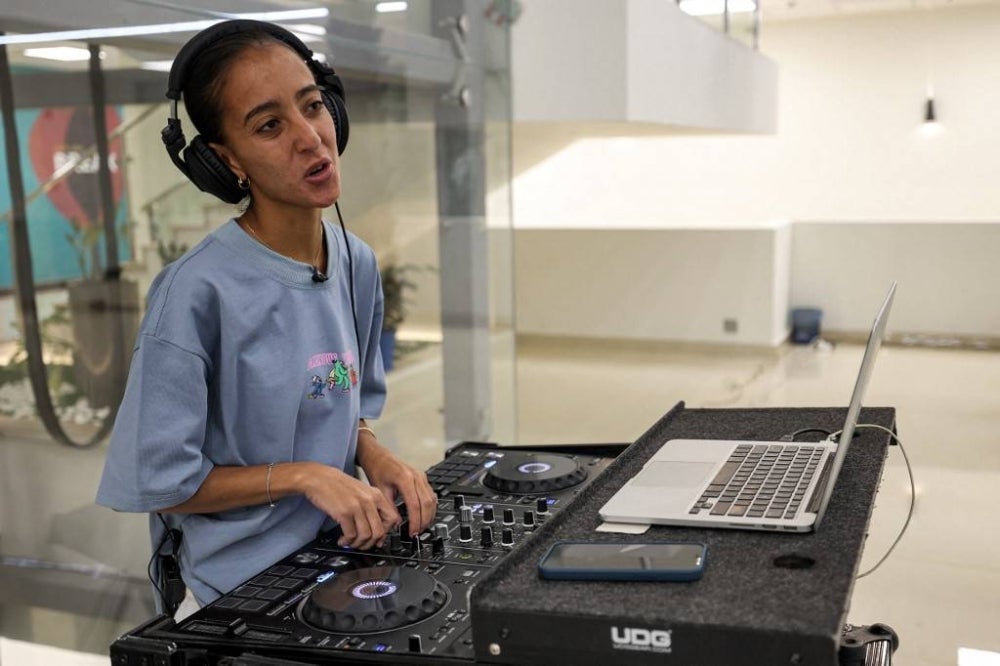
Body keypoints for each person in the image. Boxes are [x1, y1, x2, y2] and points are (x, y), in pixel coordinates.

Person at [96, 20, 437, 613]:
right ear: (225, 161)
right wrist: (305, 476)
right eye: (270, 125)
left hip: (335, 559)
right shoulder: (195, 293)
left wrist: (371, 452)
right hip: (233, 591)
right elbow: (160, 481)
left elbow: (337, 400)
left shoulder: (355, 261)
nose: (310, 138)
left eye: (313, 106)